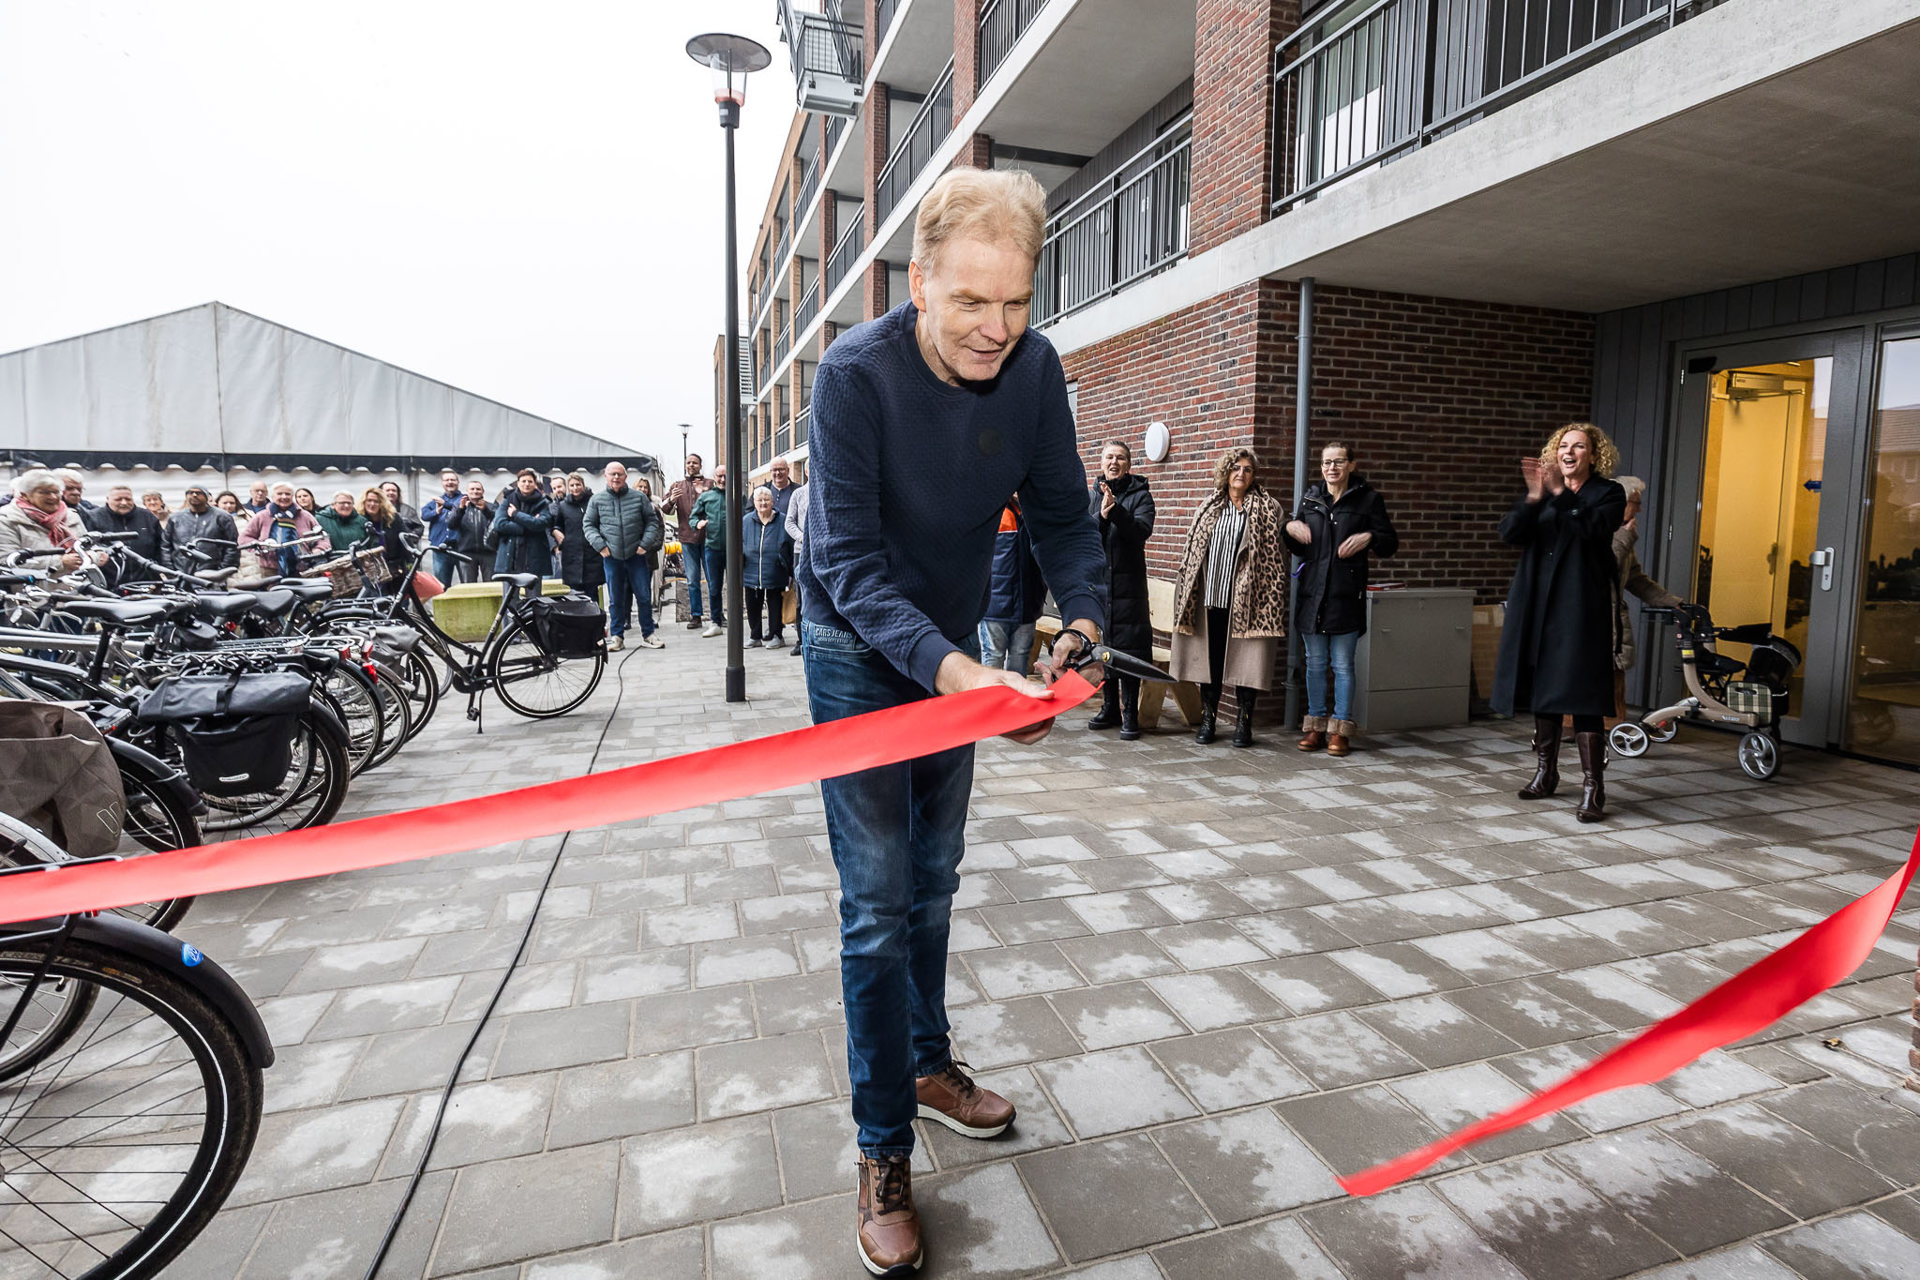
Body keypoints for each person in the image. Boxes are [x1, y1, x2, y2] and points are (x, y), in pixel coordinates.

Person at [798, 166, 1108, 1275]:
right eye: (970, 300)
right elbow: (844, 560)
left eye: (1015, 300)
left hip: (953, 649)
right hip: (857, 648)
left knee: (936, 877)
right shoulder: (853, 374)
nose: (996, 327)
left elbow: (1070, 522)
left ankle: (929, 1065)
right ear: (917, 280)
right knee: (877, 905)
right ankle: (883, 1145)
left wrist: (1079, 626)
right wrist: (953, 671)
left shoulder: (1035, 371)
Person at [1492, 422, 1627, 824]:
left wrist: (1556, 494)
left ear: (1593, 455)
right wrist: (1534, 496)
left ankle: (1593, 787)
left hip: (1579, 605)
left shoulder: (1608, 493)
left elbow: (1591, 530)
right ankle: (1545, 772)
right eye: (1564, 446)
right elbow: (1509, 532)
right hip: (1536, 602)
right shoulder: (1545, 494)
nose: (1569, 452)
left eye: (1579, 446)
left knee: (1582, 691)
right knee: (1544, 688)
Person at [1283, 440, 1400, 757]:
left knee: (1343, 666)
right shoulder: (1311, 498)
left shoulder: (1368, 500)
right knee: (1315, 664)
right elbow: (1297, 544)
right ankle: (1315, 728)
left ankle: (1340, 731)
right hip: (1312, 595)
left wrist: (1370, 536)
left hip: (1345, 597)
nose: (1331, 468)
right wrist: (1290, 526)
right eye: (1325, 462)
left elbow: (1390, 542)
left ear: (1352, 464)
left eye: (1338, 461)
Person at [1170, 447, 1286, 748]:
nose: (1241, 473)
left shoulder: (1267, 508)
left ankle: (1243, 724)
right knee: (1211, 663)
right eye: (1235, 467)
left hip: (1249, 602)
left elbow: (1275, 554)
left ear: (1253, 476)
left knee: (1248, 664)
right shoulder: (1209, 506)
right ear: (1226, 471)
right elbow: (1193, 552)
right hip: (1211, 598)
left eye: (1248, 469)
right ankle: (1208, 719)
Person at [1087, 440, 1157, 739]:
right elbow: (1085, 533)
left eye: (1120, 458)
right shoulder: (1091, 496)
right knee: (1104, 648)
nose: (1113, 463)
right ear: (1102, 463)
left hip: (1129, 587)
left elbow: (1141, 532)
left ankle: (1130, 713)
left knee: (1128, 648)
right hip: (1102, 584)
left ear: (1128, 465)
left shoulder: (1141, 495)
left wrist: (1116, 512)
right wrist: (1101, 517)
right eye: (1109, 458)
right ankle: (1109, 708)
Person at [1610, 476, 1683, 720]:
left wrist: (1672, 601)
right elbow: (1600, 569)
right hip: (1594, 619)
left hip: (1613, 622)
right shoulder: (1603, 530)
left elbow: (1636, 580)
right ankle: (1584, 728)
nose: (1639, 508)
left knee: (1614, 673)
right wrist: (1623, 538)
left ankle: (1609, 727)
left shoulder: (1623, 535)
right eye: (1635, 502)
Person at [585, 461, 665, 651]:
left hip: (636, 556)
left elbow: (652, 522)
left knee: (644, 597)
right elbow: (588, 525)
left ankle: (648, 634)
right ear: (605, 475)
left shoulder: (638, 498)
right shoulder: (597, 500)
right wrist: (600, 546)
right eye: (612, 474)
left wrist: (645, 544)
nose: (616, 477)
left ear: (625, 477)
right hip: (611, 557)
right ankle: (617, 637)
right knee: (615, 599)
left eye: (619, 474)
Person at [978, 498, 1045, 675]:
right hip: (995, 607)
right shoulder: (991, 512)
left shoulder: (1034, 512)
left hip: (1028, 606)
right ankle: (993, 703)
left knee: (1020, 658)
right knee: (993, 659)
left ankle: (1015, 703)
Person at [0, 470, 101, 569]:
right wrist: (59, 562)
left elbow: (91, 548)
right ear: (25, 495)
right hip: (32, 584)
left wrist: (91, 557)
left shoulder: (70, 516)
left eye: (56, 492)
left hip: (77, 582)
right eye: (44, 493)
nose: (53, 497)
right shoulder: (7, 519)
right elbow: (6, 560)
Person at [740, 484, 793, 648]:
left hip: (775, 570)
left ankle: (777, 635)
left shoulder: (782, 519)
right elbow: (740, 543)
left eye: (766, 500)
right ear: (754, 502)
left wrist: (788, 566)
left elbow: (789, 545)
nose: (763, 503)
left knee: (774, 603)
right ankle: (755, 636)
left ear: (772, 502)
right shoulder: (746, 520)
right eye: (759, 500)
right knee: (752, 604)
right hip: (751, 570)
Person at [662, 454, 711, 629]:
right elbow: (665, 508)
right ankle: (696, 615)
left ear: (700, 465)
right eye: (689, 462)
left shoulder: (709, 484)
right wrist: (672, 499)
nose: (691, 465)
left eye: (695, 462)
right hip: (687, 538)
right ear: (685, 465)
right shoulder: (677, 486)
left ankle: (717, 614)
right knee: (692, 579)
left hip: (708, 538)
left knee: (713, 578)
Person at [83, 484, 165, 584]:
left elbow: (161, 547)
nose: (124, 502)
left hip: (145, 582)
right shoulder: (93, 517)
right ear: (108, 499)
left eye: (128, 499)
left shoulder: (148, 517)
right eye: (118, 499)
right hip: (107, 583)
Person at [240, 483, 324, 577]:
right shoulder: (262, 516)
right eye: (279, 494)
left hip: (302, 568)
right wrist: (261, 546)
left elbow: (322, 537)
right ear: (272, 496)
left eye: (287, 494)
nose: (284, 497)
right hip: (270, 570)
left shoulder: (305, 516)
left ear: (292, 496)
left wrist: (318, 549)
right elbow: (244, 538)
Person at [491, 468, 555, 578]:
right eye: (523, 481)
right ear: (518, 483)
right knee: (510, 594)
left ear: (535, 484)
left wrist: (516, 515)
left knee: (534, 595)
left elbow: (541, 523)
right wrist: (528, 526)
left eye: (530, 481)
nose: (527, 484)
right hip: (510, 556)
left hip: (535, 557)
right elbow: (499, 524)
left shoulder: (544, 503)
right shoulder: (507, 500)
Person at [554, 471, 607, 601]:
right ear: (568, 487)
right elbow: (557, 525)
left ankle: (594, 620)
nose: (575, 488)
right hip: (571, 555)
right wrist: (557, 533)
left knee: (592, 593)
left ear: (583, 485)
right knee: (575, 595)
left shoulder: (593, 502)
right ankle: (578, 621)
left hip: (592, 555)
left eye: (578, 484)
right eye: (571, 485)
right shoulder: (563, 506)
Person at [691, 465, 730, 637]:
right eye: (719, 476)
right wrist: (697, 524)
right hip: (712, 548)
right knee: (714, 587)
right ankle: (715, 621)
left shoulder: (738, 495)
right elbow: (693, 516)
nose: (722, 480)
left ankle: (734, 617)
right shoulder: (706, 497)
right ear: (714, 477)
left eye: (725, 476)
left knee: (735, 587)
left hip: (733, 550)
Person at [165, 485, 240, 573]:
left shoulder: (222, 517)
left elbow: (232, 546)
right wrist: (170, 570)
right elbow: (165, 545)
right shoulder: (175, 518)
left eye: (198, 493)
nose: (194, 495)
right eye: (190, 493)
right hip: (180, 572)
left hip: (212, 573)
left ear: (207, 496)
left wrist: (222, 570)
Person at [419, 470, 466, 586]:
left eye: (453, 480)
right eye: (447, 480)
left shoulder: (464, 500)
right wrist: (436, 512)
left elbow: (463, 511)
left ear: (458, 482)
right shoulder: (435, 501)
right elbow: (424, 515)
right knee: (441, 585)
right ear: (442, 483)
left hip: (461, 547)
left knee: (467, 583)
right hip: (440, 548)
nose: (450, 482)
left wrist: (445, 504)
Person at [359, 487, 408, 590]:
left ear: (382, 503)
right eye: (369, 500)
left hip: (392, 568)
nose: (372, 504)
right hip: (368, 570)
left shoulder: (393, 519)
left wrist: (407, 564)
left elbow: (405, 542)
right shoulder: (359, 520)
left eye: (376, 501)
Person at [447, 480, 494, 582]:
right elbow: (451, 524)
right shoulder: (459, 506)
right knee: (468, 585)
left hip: (489, 551)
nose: (475, 491)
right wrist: (460, 510)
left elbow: (497, 522)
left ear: (483, 491)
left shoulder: (491, 506)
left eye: (478, 489)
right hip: (466, 552)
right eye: (472, 489)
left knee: (492, 585)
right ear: (467, 491)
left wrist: (485, 510)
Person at [785, 477, 809, 657]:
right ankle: (801, 641)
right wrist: (802, 537)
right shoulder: (798, 494)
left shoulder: (827, 489)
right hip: (801, 552)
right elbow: (789, 522)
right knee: (801, 597)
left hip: (823, 550)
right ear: (807, 471)